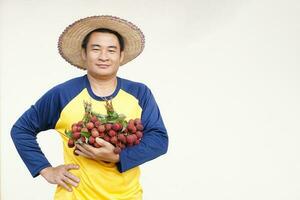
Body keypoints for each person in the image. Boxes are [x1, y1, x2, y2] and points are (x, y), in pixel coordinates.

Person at [11, 15, 168, 200]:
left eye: (111, 50)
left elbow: (159, 140)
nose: (103, 56)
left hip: (127, 196)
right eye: (96, 49)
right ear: (84, 54)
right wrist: (46, 170)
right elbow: (21, 129)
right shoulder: (63, 93)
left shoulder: (139, 93)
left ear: (121, 56)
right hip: (75, 196)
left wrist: (118, 157)